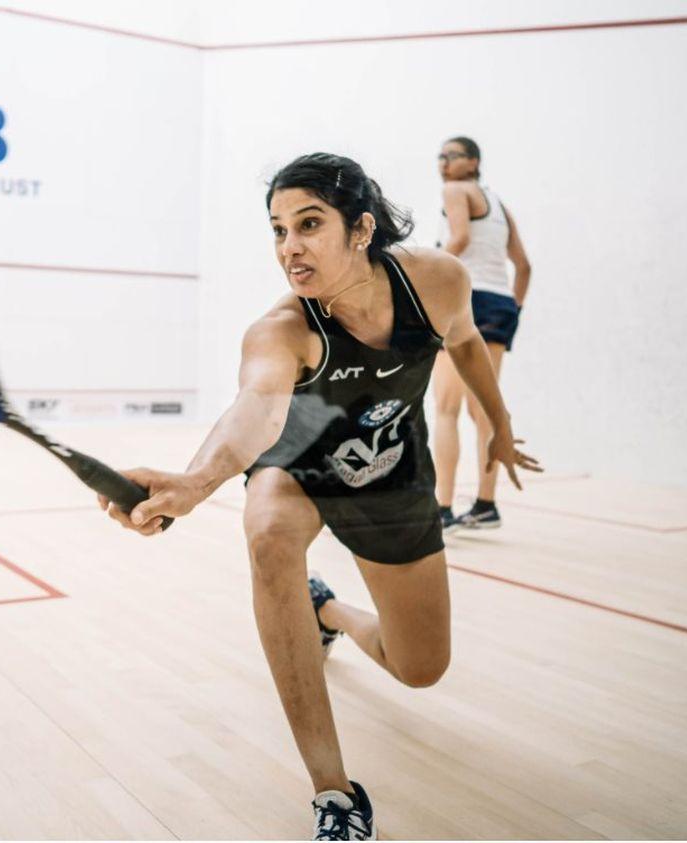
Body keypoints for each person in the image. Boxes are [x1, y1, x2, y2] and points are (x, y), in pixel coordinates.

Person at [97, 153, 540, 840]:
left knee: (419, 668)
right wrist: (194, 482)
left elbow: (468, 342)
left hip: (391, 472)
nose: (289, 247)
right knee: (268, 533)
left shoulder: (437, 280)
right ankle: (334, 792)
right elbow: (255, 408)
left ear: (361, 228)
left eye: (308, 224)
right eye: (277, 230)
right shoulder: (281, 329)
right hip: (298, 458)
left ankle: (324, 606)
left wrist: (501, 426)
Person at [432, 137, 532, 532]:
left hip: (467, 300)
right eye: (439, 156)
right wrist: (513, 314)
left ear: (473, 161)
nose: (443, 163)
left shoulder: (455, 190)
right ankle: (486, 505)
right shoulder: (499, 207)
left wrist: (421, 273)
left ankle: (442, 509)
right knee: (484, 408)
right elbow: (524, 267)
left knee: (445, 407)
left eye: (452, 156)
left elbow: (459, 240)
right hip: (500, 305)